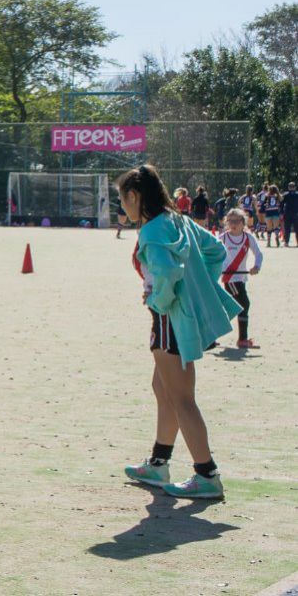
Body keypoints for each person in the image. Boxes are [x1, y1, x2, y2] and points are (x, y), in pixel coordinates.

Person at [118, 164, 241, 499]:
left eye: (123, 199)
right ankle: (159, 462)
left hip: (169, 319)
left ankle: (207, 473)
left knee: (181, 397)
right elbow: (215, 251)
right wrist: (197, 285)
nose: (123, 207)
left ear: (134, 196)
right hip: (175, 318)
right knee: (162, 387)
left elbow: (169, 272)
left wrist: (162, 297)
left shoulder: (153, 230)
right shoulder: (179, 220)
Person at [219, 209, 263, 348]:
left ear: (243, 222)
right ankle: (242, 339)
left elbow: (259, 254)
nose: (233, 224)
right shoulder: (223, 238)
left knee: (230, 308)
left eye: (237, 221)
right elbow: (211, 253)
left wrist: (256, 266)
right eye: (230, 221)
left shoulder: (248, 238)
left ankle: (209, 335)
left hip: (241, 278)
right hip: (230, 278)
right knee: (244, 304)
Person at [282, 182, 298, 247]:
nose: (291, 188)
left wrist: (281, 212)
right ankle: (288, 242)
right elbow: (282, 204)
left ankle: (286, 242)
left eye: (292, 186)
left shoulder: (286, 195)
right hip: (294, 214)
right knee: (294, 229)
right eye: (291, 186)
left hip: (289, 213)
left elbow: (281, 204)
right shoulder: (295, 194)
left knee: (288, 229)